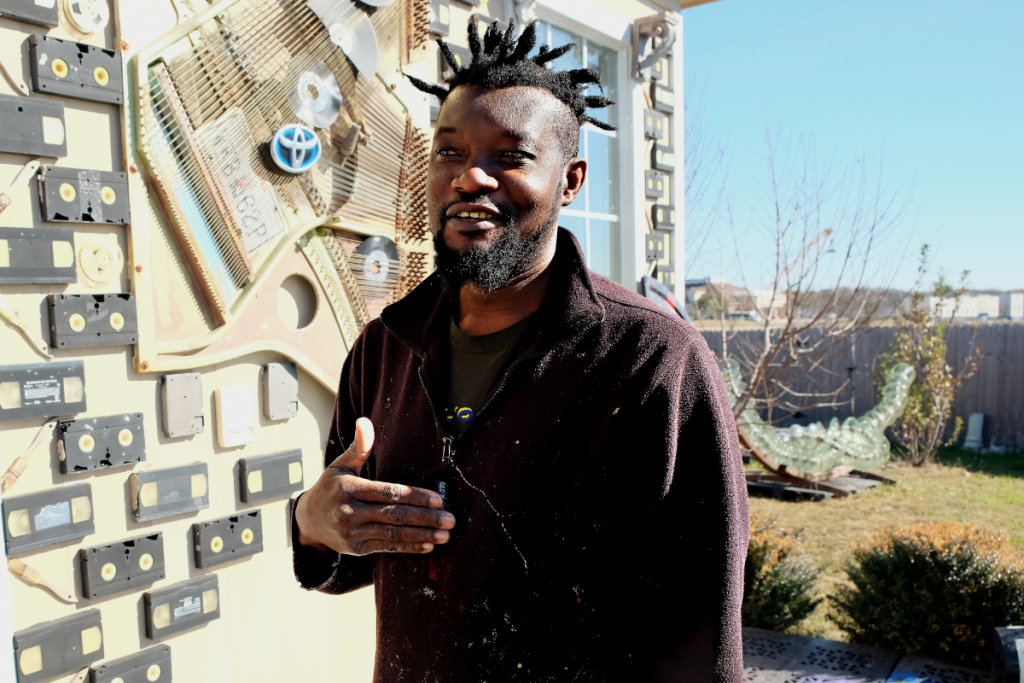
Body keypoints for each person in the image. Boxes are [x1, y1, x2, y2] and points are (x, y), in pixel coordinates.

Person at [292, 18, 748, 682]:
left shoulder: (653, 362)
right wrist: (313, 521)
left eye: (510, 155)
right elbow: (351, 550)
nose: (469, 177)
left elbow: (703, 642)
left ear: (571, 181)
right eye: (448, 152)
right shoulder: (384, 348)